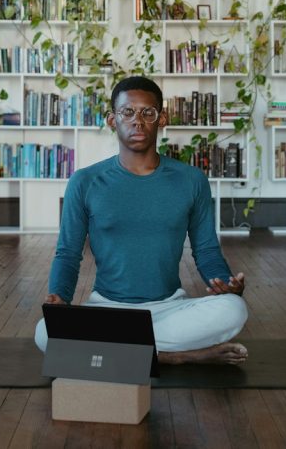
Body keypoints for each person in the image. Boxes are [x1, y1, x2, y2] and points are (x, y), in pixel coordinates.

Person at [34, 76, 249, 365]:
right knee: (45, 332)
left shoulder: (192, 181)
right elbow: (68, 254)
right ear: (112, 120)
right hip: (107, 309)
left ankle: (123, 353)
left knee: (234, 309)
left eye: (148, 113)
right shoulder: (84, 182)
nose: (138, 121)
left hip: (170, 307)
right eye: (127, 112)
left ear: (161, 120)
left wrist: (227, 285)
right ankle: (173, 357)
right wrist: (59, 298)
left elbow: (207, 250)